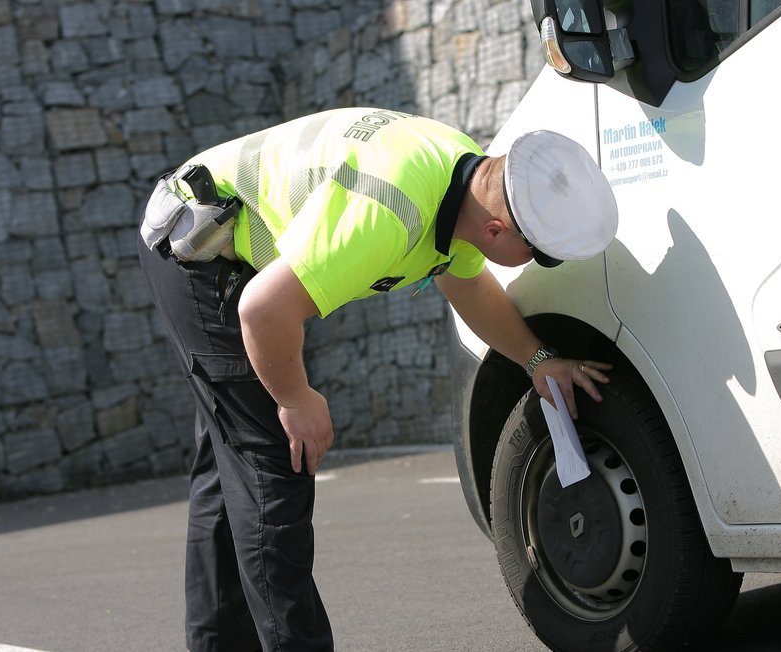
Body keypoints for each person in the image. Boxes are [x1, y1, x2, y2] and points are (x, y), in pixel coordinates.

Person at [137, 107, 617, 652]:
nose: (531, 263)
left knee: (229, 477)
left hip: (235, 250)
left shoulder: (465, 181)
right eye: (538, 255)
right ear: (497, 228)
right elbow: (262, 313)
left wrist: (536, 359)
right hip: (201, 246)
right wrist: (295, 399)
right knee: (274, 466)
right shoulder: (389, 211)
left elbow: (465, 282)